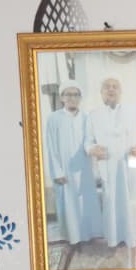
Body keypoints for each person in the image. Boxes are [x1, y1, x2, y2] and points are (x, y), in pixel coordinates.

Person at [85, 76, 136, 258]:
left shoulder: (133, 111)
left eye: (115, 87)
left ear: (120, 91)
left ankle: (135, 237)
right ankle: (114, 238)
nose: (111, 90)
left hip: (131, 161)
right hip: (108, 163)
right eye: (107, 87)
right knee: (111, 200)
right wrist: (92, 149)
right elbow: (88, 141)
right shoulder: (93, 115)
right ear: (101, 92)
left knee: (133, 198)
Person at [43, 80, 100, 250]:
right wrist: (57, 172)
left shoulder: (87, 118)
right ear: (62, 97)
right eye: (68, 94)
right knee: (68, 205)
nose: (72, 98)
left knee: (86, 202)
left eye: (76, 95)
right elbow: (50, 146)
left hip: (84, 168)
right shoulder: (54, 118)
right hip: (64, 170)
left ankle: (88, 236)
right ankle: (73, 239)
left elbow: (91, 141)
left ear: (80, 98)